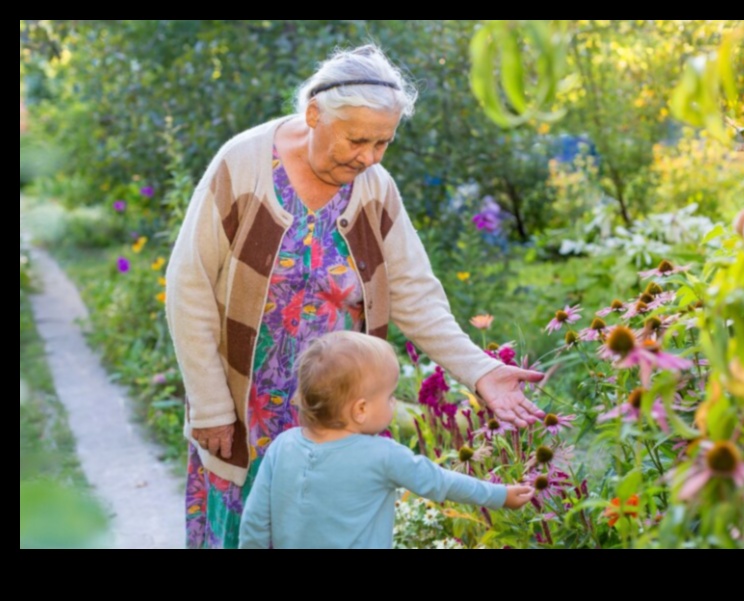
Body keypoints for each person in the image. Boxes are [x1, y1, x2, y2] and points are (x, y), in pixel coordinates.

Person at [166, 43, 544, 549]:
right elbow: (187, 283)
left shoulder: (374, 189)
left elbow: (415, 293)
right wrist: (211, 403)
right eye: (356, 139)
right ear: (314, 113)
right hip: (244, 404)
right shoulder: (243, 165)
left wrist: (480, 369)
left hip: (339, 411)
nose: (367, 157)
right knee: (245, 530)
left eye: (382, 143)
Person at [239, 331, 533, 549]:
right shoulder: (383, 455)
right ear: (361, 409)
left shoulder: (283, 445)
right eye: (390, 396)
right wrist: (499, 495)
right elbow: (441, 482)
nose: (393, 404)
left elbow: (255, 521)